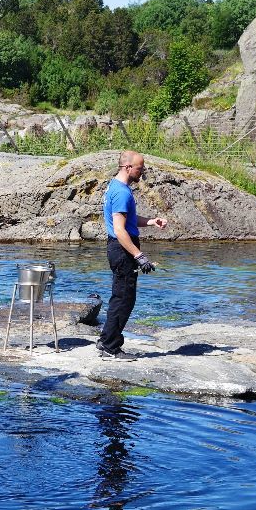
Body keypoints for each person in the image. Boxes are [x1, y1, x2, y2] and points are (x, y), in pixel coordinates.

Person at [97, 151, 167, 360]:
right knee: (124, 299)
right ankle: (111, 348)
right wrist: (139, 256)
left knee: (120, 297)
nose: (142, 171)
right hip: (122, 250)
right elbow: (120, 230)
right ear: (127, 167)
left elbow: (128, 220)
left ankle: (105, 341)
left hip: (119, 248)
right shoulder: (122, 192)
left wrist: (151, 221)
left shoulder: (115, 187)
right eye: (140, 168)